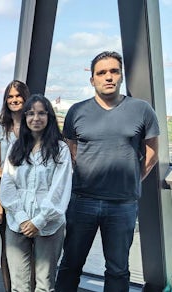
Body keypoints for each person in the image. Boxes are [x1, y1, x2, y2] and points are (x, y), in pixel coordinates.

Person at [55, 51, 160, 291]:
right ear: (92, 79)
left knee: (118, 270)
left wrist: (134, 177)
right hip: (82, 201)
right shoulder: (76, 111)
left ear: (121, 76)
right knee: (70, 264)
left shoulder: (142, 110)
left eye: (114, 71)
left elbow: (152, 152)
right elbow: (71, 152)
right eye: (101, 73)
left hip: (122, 204)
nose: (108, 77)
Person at [0, 94, 72, 291]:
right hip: (17, 222)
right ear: (24, 118)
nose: (36, 118)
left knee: (45, 284)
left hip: (49, 223)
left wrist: (38, 221)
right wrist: (23, 219)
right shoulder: (16, 147)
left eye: (41, 113)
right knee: (19, 284)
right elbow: (7, 184)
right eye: (30, 114)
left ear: (49, 117)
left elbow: (60, 189)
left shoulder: (60, 149)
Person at [0, 80, 30, 292]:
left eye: (18, 96)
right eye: (10, 97)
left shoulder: (34, 125)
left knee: (31, 250)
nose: (14, 100)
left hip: (31, 196)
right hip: (6, 197)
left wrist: (6, 172)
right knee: (7, 249)